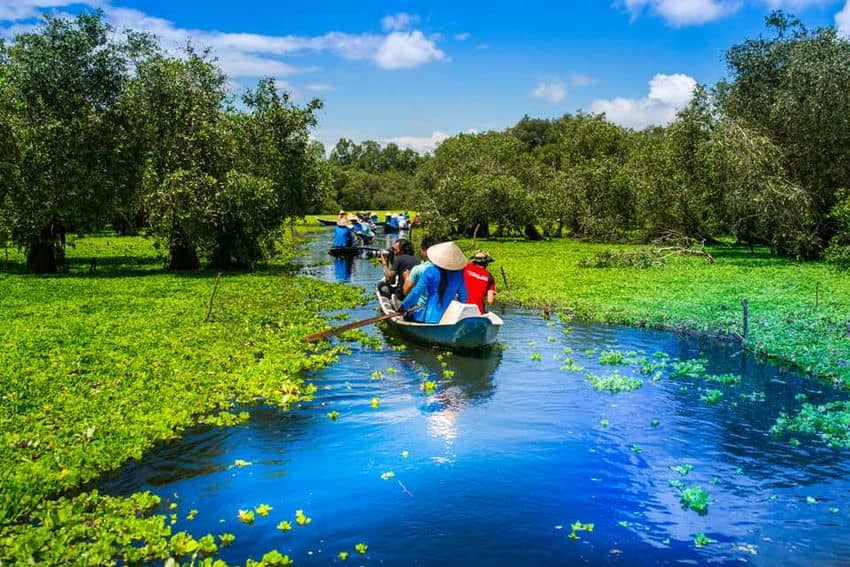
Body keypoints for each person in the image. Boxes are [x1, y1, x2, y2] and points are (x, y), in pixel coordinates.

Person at [401, 241, 468, 323]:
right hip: (448, 318)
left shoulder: (430, 271)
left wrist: (403, 306)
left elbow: (416, 292)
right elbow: (464, 297)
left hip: (428, 318)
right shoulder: (458, 275)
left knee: (408, 315)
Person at [403, 236, 440, 304]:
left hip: (420, 308)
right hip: (439, 307)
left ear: (425, 250)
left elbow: (406, 292)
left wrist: (406, 277)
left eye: (421, 249)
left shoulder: (418, 269)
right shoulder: (444, 268)